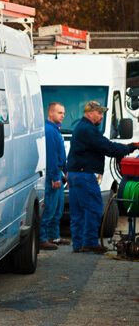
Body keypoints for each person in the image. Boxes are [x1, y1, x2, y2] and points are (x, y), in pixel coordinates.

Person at [66, 101, 138, 254]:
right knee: (94, 208)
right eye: (99, 113)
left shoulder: (80, 127)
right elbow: (106, 147)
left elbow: (102, 145)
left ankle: (78, 244)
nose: (101, 116)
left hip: (75, 174)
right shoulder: (88, 130)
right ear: (89, 113)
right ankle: (90, 242)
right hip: (85, 174)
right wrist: (129, 147)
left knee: (78, 212)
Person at [41, 102, 69, 250]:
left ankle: (54, 237)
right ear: (50, 113)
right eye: (60, 113)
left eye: (63, 113)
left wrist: (65, 171)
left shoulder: (56, 130)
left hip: (58, 171)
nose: (63, 115)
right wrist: (55, 177)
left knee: (57, 208)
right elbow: (50, 156)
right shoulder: (49, 131)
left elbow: (60, 153)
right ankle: (42, 238)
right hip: (52, 173)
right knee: (49, 207)